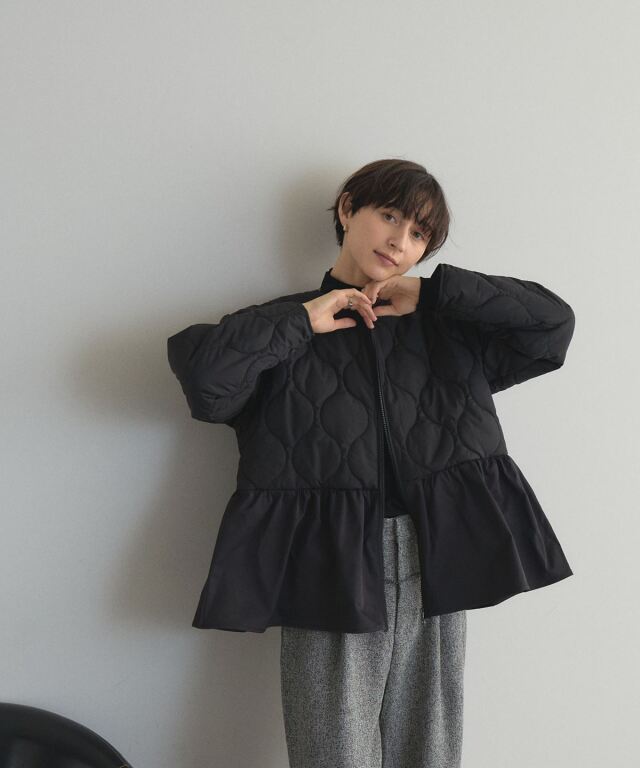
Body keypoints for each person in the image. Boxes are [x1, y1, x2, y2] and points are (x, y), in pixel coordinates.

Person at [167, 158, 576, 768]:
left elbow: (553, 326)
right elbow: (204, 381)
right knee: (331, 753)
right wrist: (299, 320)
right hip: (328, 562)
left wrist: (435, 292)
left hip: (438, 553)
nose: (400, 241)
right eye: (389, 216)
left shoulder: (448, 328)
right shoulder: (289, 329)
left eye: (419, 233)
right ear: (347, 208)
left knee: (429, 752)